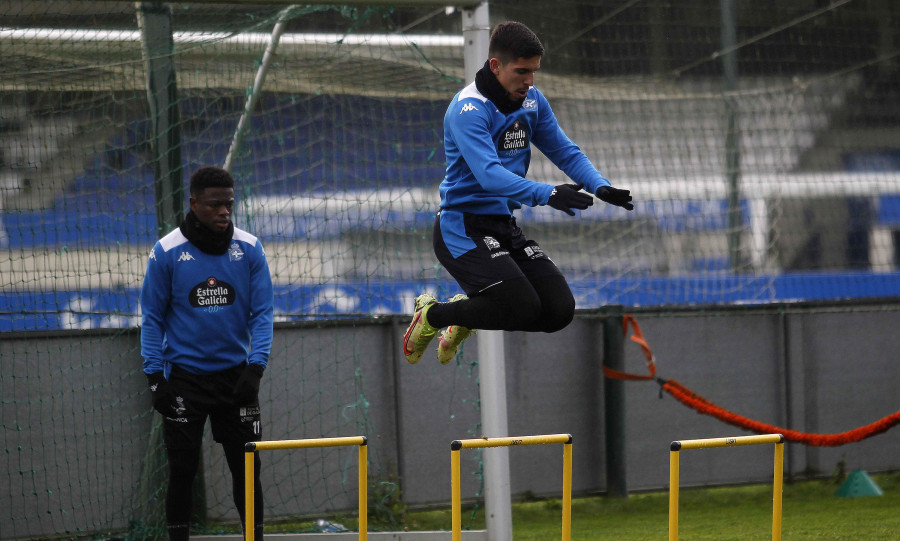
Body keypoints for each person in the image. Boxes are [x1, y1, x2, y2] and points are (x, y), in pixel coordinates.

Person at [403, 21, 633, 365]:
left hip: (503, 225)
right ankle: (433, 316)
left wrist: (600, 185)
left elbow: (564, 150)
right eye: (521, 71)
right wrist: (550, 194)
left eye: (534, 72)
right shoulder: (468, 110)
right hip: (462, 228)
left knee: (559, 311)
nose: (529, 81)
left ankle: (463, 316)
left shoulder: (532, 101)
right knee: (521, 305)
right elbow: (490, 176)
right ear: (496, 66)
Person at [141, 165, 274, 541]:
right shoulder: (166, 252)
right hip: (184, 380)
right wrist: (155, 379)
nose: (224, 212)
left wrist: (256, 367)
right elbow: (151, 318)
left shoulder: (249, 248)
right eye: (215, 205)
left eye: (229, 204)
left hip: (237, 378)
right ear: (194, 203)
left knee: (248, 468)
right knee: (181, 469)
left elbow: (263, 313)